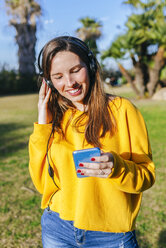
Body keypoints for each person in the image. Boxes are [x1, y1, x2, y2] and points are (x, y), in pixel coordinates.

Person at [29, 36, 155, 248]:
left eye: (76, 70)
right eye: (58, 76)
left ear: (90, 66)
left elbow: (147, 176)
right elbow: (42, 183)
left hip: (110, 235)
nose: (70, 83)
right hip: (57, 228)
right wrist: (43, 120)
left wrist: (117, 167)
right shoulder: (55, 118)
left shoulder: (123, 110)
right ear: (48, 82)